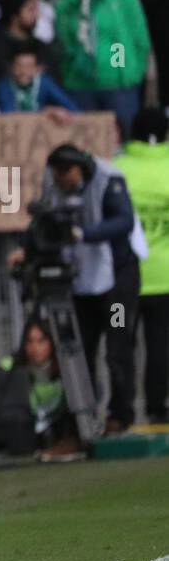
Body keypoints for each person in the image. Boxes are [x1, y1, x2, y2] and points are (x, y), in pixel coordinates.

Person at [10, 144, 140, 434]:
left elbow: (124, 221)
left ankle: (121, 414)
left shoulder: (108, 180)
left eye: (67, 172)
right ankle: (84, 418)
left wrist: (82, 233)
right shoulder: (54, 186)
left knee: (117, 347)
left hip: (115, 279)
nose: (63, 179)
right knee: (81, 348)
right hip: (80, 281)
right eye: (57, 174)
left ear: (80, 167)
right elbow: (43, 222)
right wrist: (26, 249)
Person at [53, 0, 151, 137]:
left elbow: (140, 38)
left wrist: (133, 73)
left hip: (119, 83)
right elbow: (63, 43)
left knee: (124, 139)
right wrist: (70, 70)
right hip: (80, 84)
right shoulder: (67, 4)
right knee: (85, 143)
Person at [111, 107, 169, 424]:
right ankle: (157, 407)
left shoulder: (118, 168)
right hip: (165, 274)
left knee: (121, 346)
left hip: (124, 273)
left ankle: (123, 410)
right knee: (160, 346)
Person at [0, 321, 82, 461]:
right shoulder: (11, 368)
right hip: (23, 426)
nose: (34, 348)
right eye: (29, 341)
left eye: (41, 341)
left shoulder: (67, 369)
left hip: (56, 424)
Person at [0, 42, 77, 115]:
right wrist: (44, 112)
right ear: (11, 68)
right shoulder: (4, 86)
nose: (23, 71)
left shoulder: (44, 83)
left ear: (38, 69)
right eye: (19, 66)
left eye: (29, 66)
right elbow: (8, 113)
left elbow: (72, 108)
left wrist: (58, 112)